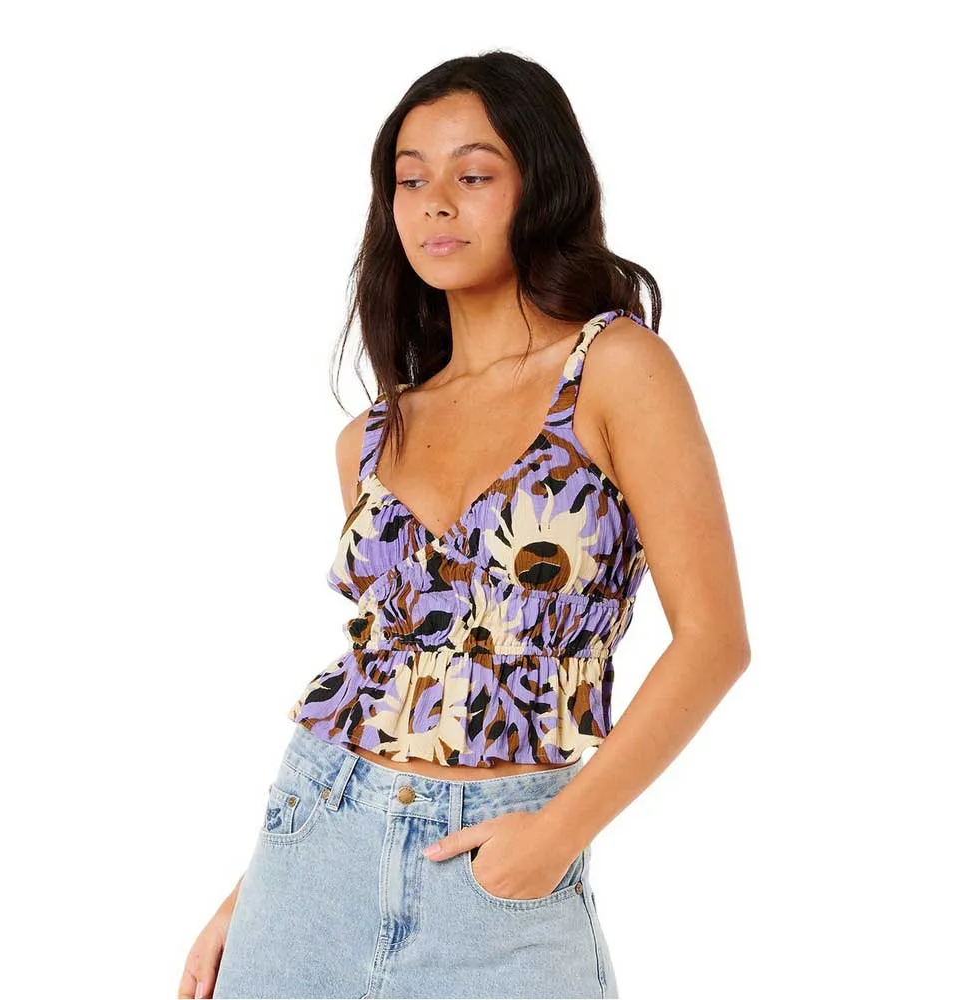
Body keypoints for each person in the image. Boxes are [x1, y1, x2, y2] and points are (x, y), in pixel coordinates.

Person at [179, 50, 750, 1000]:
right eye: (411, 180)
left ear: (541, 187)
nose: (436, 204)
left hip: (499, 869)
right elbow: (384, 670)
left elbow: (715, 640)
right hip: (312, 849)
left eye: (473, 175)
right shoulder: (373, 436)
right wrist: (253, 893)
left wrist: (554, 837)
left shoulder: (615, 369)